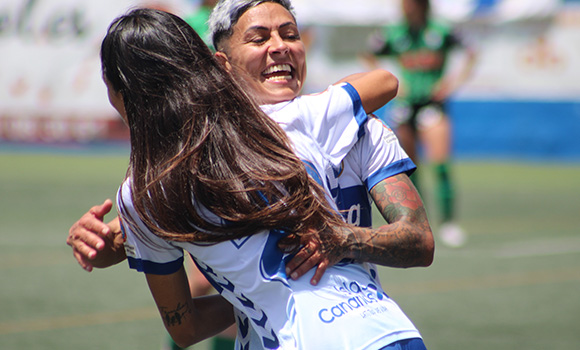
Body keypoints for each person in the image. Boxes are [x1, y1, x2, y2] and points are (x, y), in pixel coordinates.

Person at [98, 7, 428, 349]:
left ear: (118, 91)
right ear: (212, 66)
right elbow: (384, 80)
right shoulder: (294, 116)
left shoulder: (140, 196)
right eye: (259, 38)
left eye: (290, 35)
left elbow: (185, 329)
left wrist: (255, 295)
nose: (279, 48)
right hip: (387, 330)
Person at [363, 0, 476, 248]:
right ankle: (420, 223)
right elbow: (369, 54)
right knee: (412, 168)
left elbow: (471, 52)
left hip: (432, 104)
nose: (405, 7)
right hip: (405, 105)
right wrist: (391, 83)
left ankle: (448, 222)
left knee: (441, 163)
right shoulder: (394, 32)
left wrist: (451, 84)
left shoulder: (441, 30)